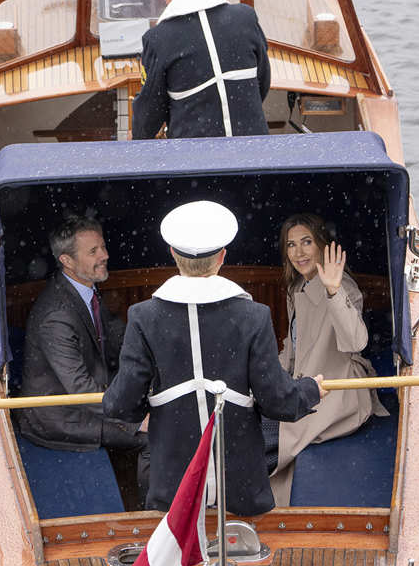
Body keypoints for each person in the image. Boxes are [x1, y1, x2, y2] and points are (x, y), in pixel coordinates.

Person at [102, 201, 325, 515]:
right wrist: (311, 390)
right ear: (222, 257)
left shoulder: (143, 317)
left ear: (172, 254)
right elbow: (279, 402)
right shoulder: (253, 316)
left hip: (173, 484)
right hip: (240, 486)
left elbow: (121, 405)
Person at [19, 214, 148, 502]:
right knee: (158, 438)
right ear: (67, 261)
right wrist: (136, 422)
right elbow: (81, 391)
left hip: (92, 397)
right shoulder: (57, 317)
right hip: (63, 419)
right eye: (93, 251)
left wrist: (155, 353)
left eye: (102, 247)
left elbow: (114, 332)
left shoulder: (84, 288)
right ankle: (153, 514)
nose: (105, 255)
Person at [269, 213, 388, 505]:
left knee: (264, 442)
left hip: (337, 394)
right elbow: (294, 349)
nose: (299, 252)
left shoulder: (340, 286)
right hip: (303, 388)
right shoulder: (296, 286)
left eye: (307, 242)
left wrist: (333, 290)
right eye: (291, 244)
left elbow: (355, 341)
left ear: (322, 245)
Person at [132, 0, 271, 139]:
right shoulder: (245, 17)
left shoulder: (158, 39)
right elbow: (262, 82)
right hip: (253, 147)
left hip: (196, 159)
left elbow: (149, 113)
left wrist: (137, 137)